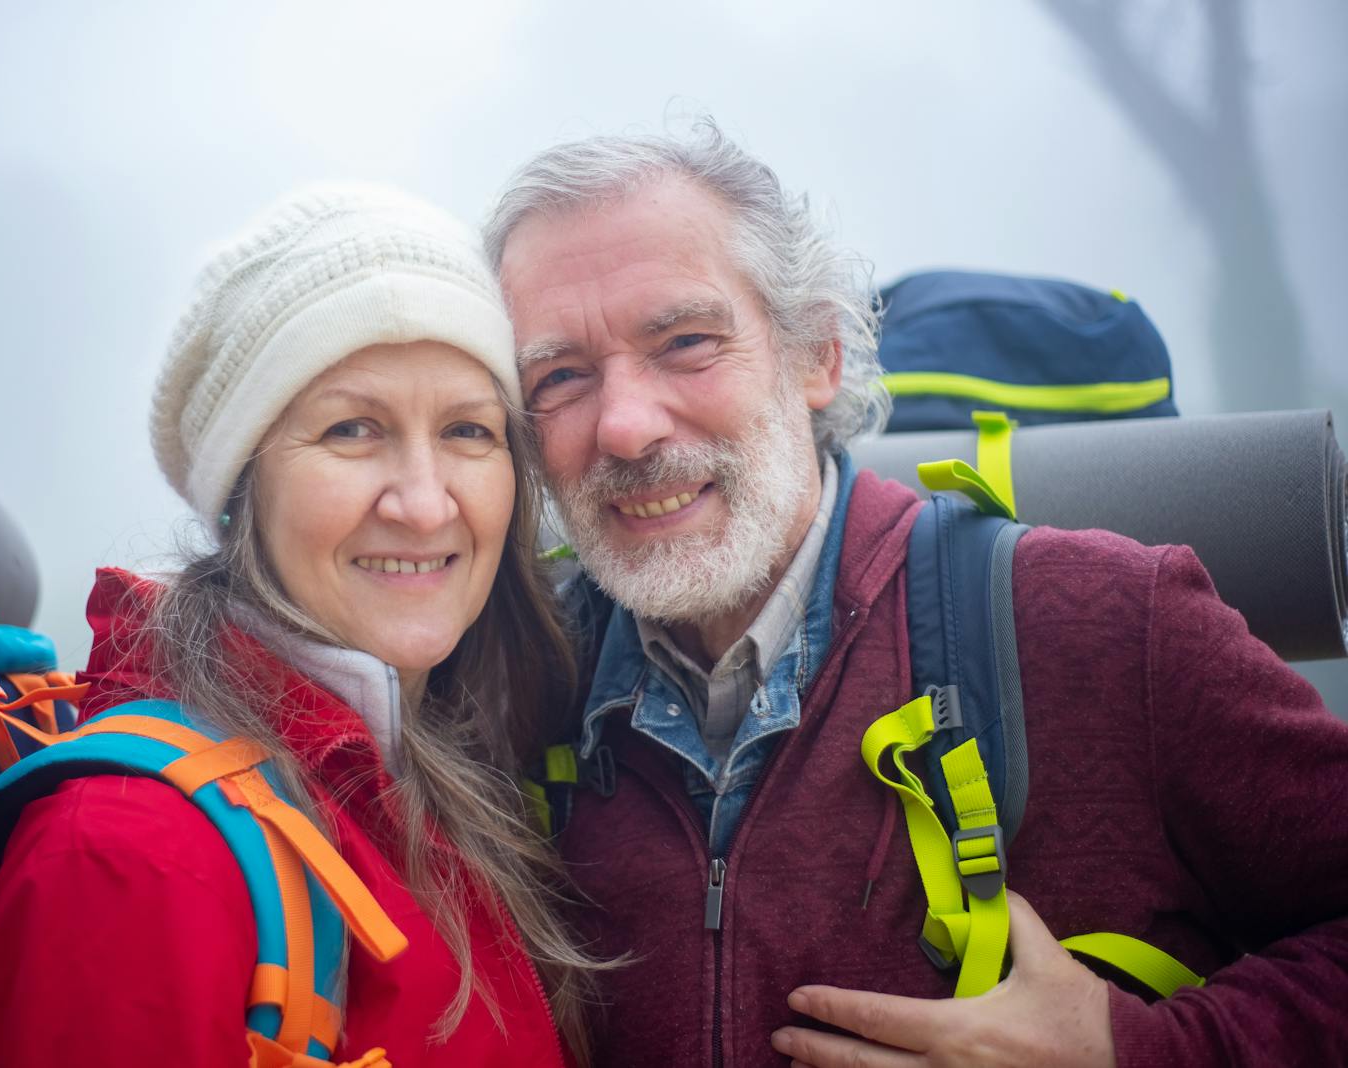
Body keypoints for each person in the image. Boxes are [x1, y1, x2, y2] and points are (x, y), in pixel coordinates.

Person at [483, 120, 1348, 1067]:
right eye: (560, 375)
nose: (625, 426)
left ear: (818, 355)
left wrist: (1142, 1051)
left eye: (685, 341)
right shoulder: (505, 694)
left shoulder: (1104, 621)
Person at [0, 184, 602, 1068]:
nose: (422, 501)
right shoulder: (129, 852)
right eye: (352, 429)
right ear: (238, 495)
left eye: (468, 431)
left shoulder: (446, 780)